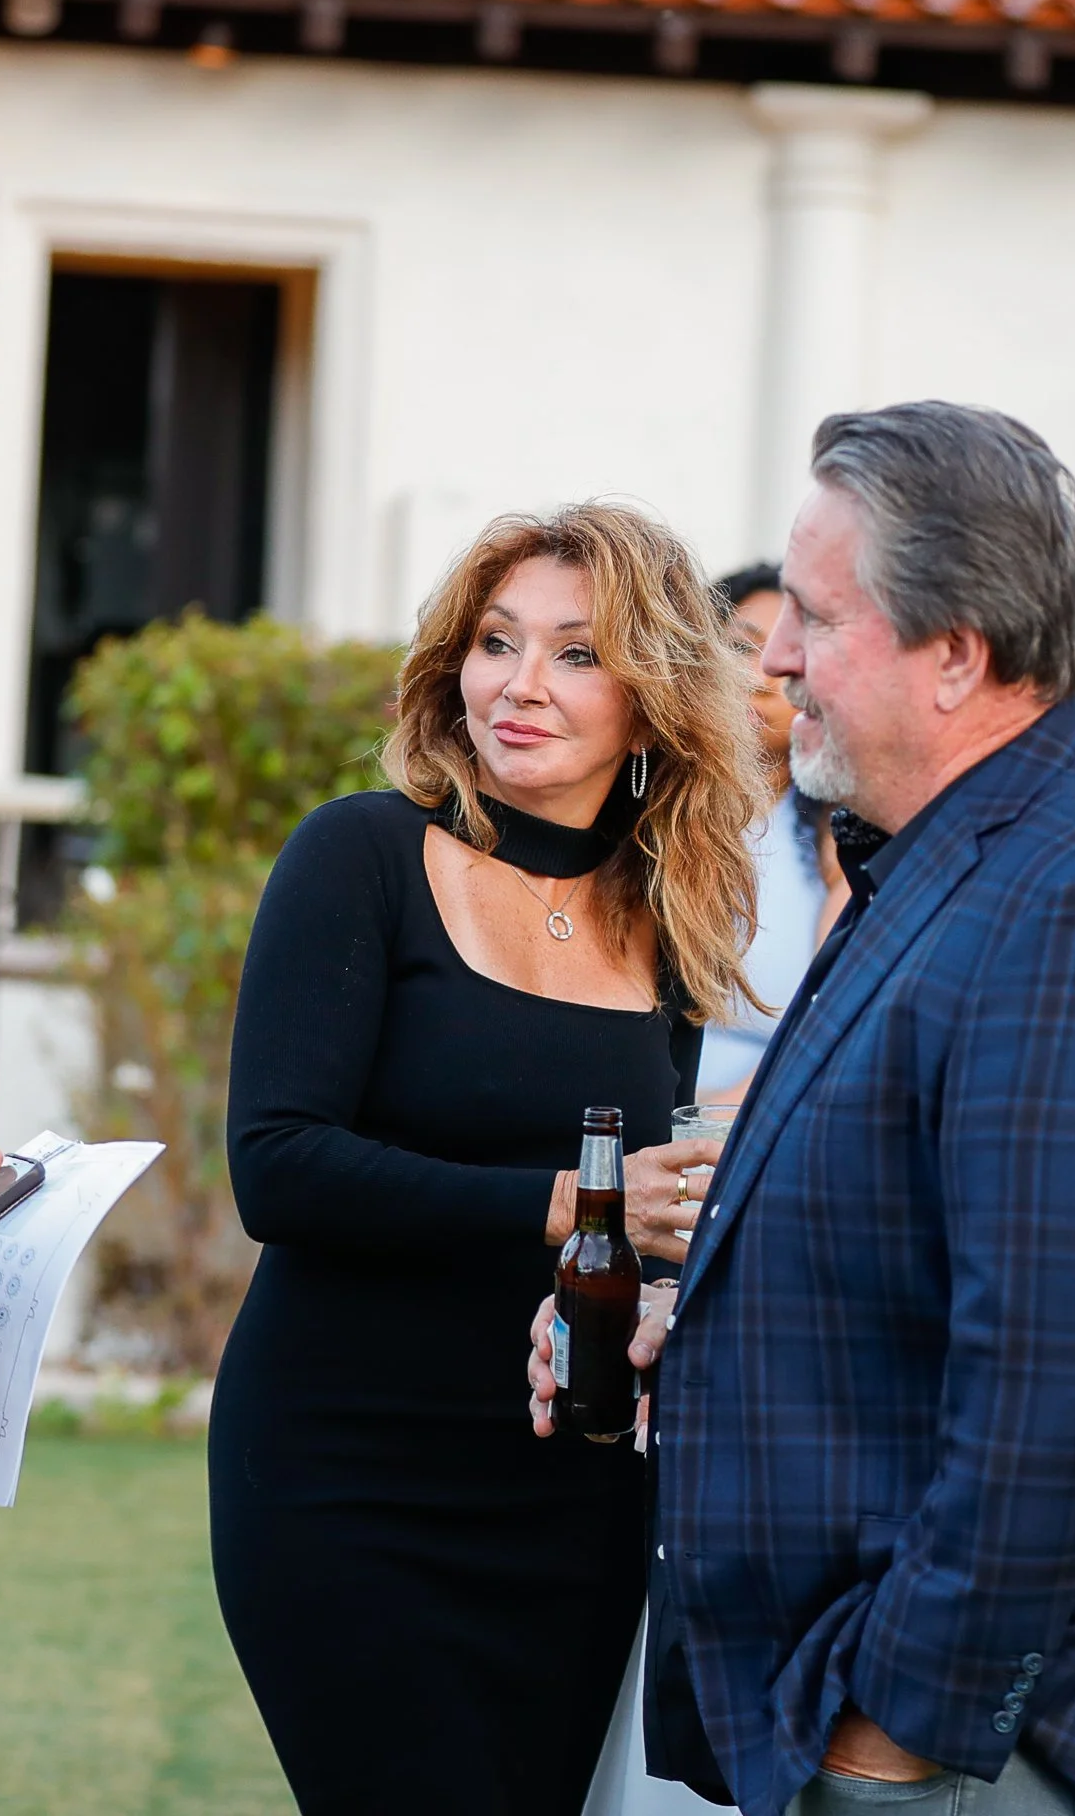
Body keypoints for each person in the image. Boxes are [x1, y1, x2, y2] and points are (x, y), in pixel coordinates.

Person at [534, 403, 1075, 1816]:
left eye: (816, 616)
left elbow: (1055, 1392)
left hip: (968, 1753)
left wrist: (892, 1742)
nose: (778, 655)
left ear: (957, 654)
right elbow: (901, 1217)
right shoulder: (947, 850)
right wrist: (675, 1319)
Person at [212, 502, 766, 1814]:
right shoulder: (360, 857)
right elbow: (277, 1170)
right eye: (496, 641)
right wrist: (578, 1201)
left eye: (577, 654)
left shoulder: (667, 914)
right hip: (346, 1475)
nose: (520, 685)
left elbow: (641, 1225)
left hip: (570, 1490)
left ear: (652, 696)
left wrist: (669, 1280)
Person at [696, 563, 852, 1104]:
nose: (759, 679)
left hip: (758, 1119)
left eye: (789, 663)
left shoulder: (840, 833)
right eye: (742, 647)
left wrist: (712, 1119)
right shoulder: (639, 810)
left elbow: (827, 1023)